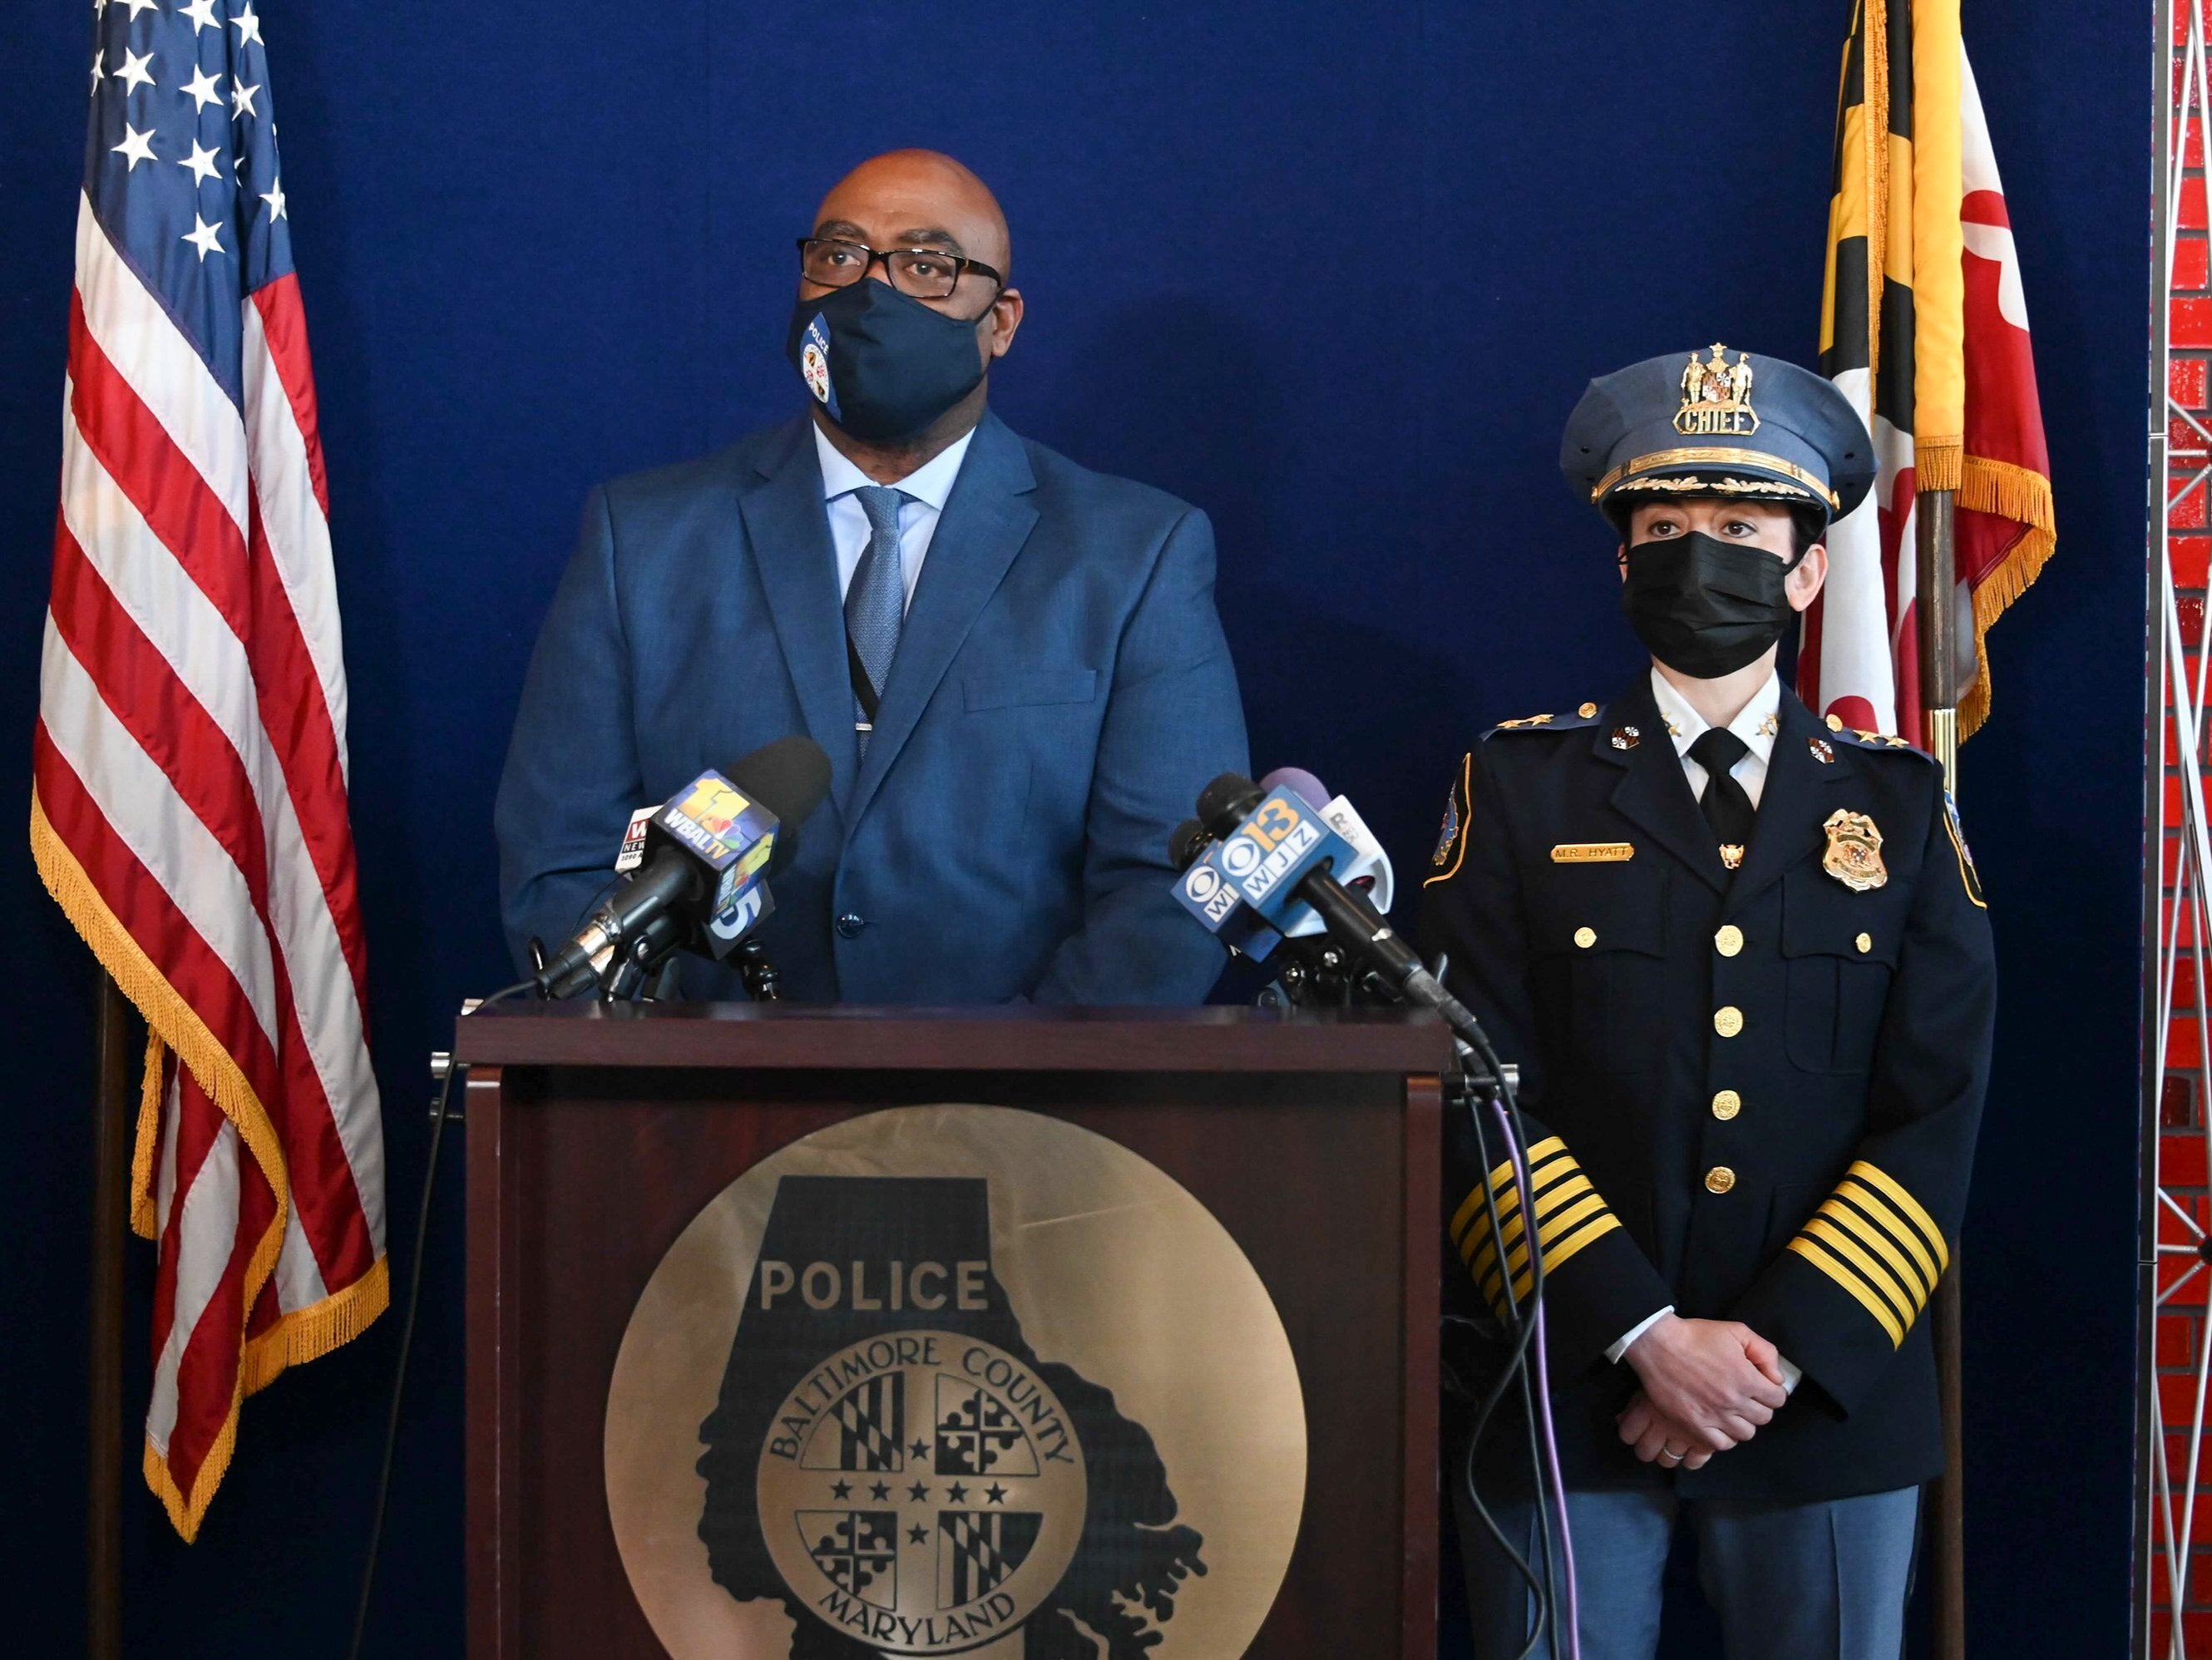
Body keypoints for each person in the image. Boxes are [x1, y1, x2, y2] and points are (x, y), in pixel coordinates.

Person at [1420, 345, 1995, 1659]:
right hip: (1566, 1372)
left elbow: (1936, 1110)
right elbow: (1471, 1087)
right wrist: (1642, 1332)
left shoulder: (1899, 807)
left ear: (1808, 571)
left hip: (1828, 1390)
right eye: (1665, 529)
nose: (1701, 558)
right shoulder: (1518, 790)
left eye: (1741, 529)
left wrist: (1769, 1356)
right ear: (1622, 568)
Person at [496, 150, 1247, 1003]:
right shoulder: (642, 539)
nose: (870, 293)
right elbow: (559, 863)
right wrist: (694, 1077)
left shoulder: (1133, 555)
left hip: (1021, 1117)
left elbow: (1170, 885)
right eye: (839, 256)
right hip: (705, 1105)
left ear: (1000, 321)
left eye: (925, 265)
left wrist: (1002, 1100)